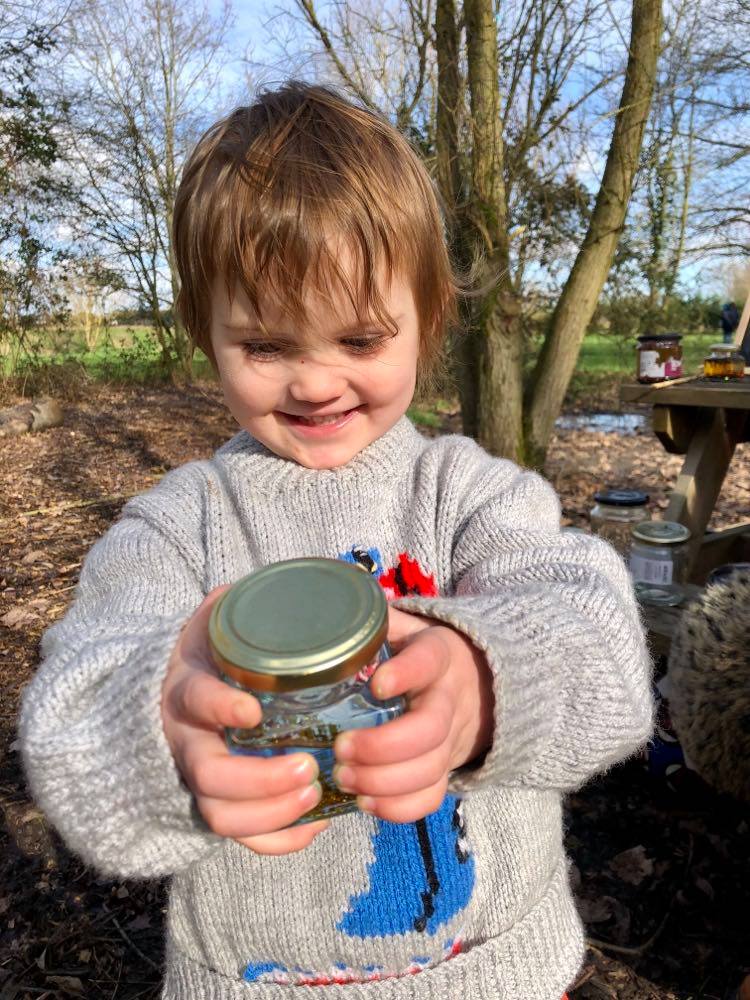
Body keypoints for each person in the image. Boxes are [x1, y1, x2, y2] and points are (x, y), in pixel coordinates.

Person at [18, 82, 653, 999]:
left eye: (359, 337)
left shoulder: (470, 493)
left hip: (504, 971)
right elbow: (71, 718)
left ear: (428, 319)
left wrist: (485, 684)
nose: (316, 383)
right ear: (207, 335)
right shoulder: (177, 523)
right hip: (251, 981)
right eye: (267, 346)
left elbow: (599, 639)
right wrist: (161, 729)